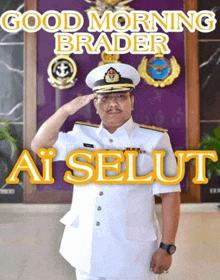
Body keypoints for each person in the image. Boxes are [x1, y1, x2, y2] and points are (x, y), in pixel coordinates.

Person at [31, 63, 181, 280]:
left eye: (120, 96)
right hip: (86, 247)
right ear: (96, 104)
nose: (113, 104)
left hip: (133, 251)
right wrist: (64, 110)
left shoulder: (154, 140)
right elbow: (39, 146)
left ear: (132, 101)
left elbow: (170, 194)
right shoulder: (81, 135)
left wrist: (167, 247)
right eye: (105, 98)